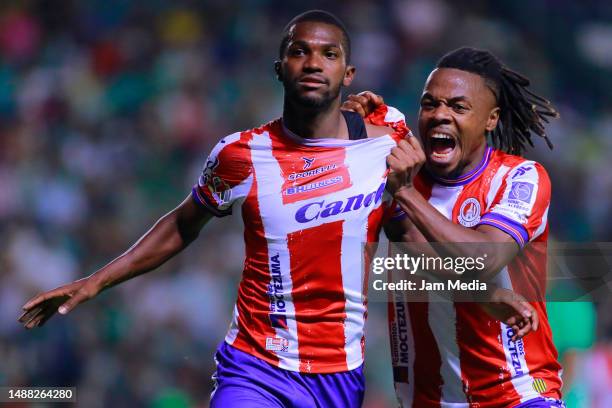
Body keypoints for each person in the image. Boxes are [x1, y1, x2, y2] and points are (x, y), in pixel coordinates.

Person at [19, 12, 536, 407]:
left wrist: (488, 294)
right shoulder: (240, 155)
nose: (313, 63)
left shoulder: (387, 143)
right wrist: (95, 281)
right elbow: (182, 225)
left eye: (328, 54)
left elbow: (413, 244)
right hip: (255, 366)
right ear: (279, 68)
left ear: (348, 72)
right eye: (299, 52)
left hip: (341, 376)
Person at [346, 47, 564, 407]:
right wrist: (346, 123)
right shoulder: (396, 173)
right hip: (428, 399)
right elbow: (416, 254)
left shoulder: (521, 178)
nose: (439, 115)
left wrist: (404, 194)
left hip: (519, 393)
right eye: (429, 104)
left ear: (490, 119)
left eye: (458, 107)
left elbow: (482, 259)